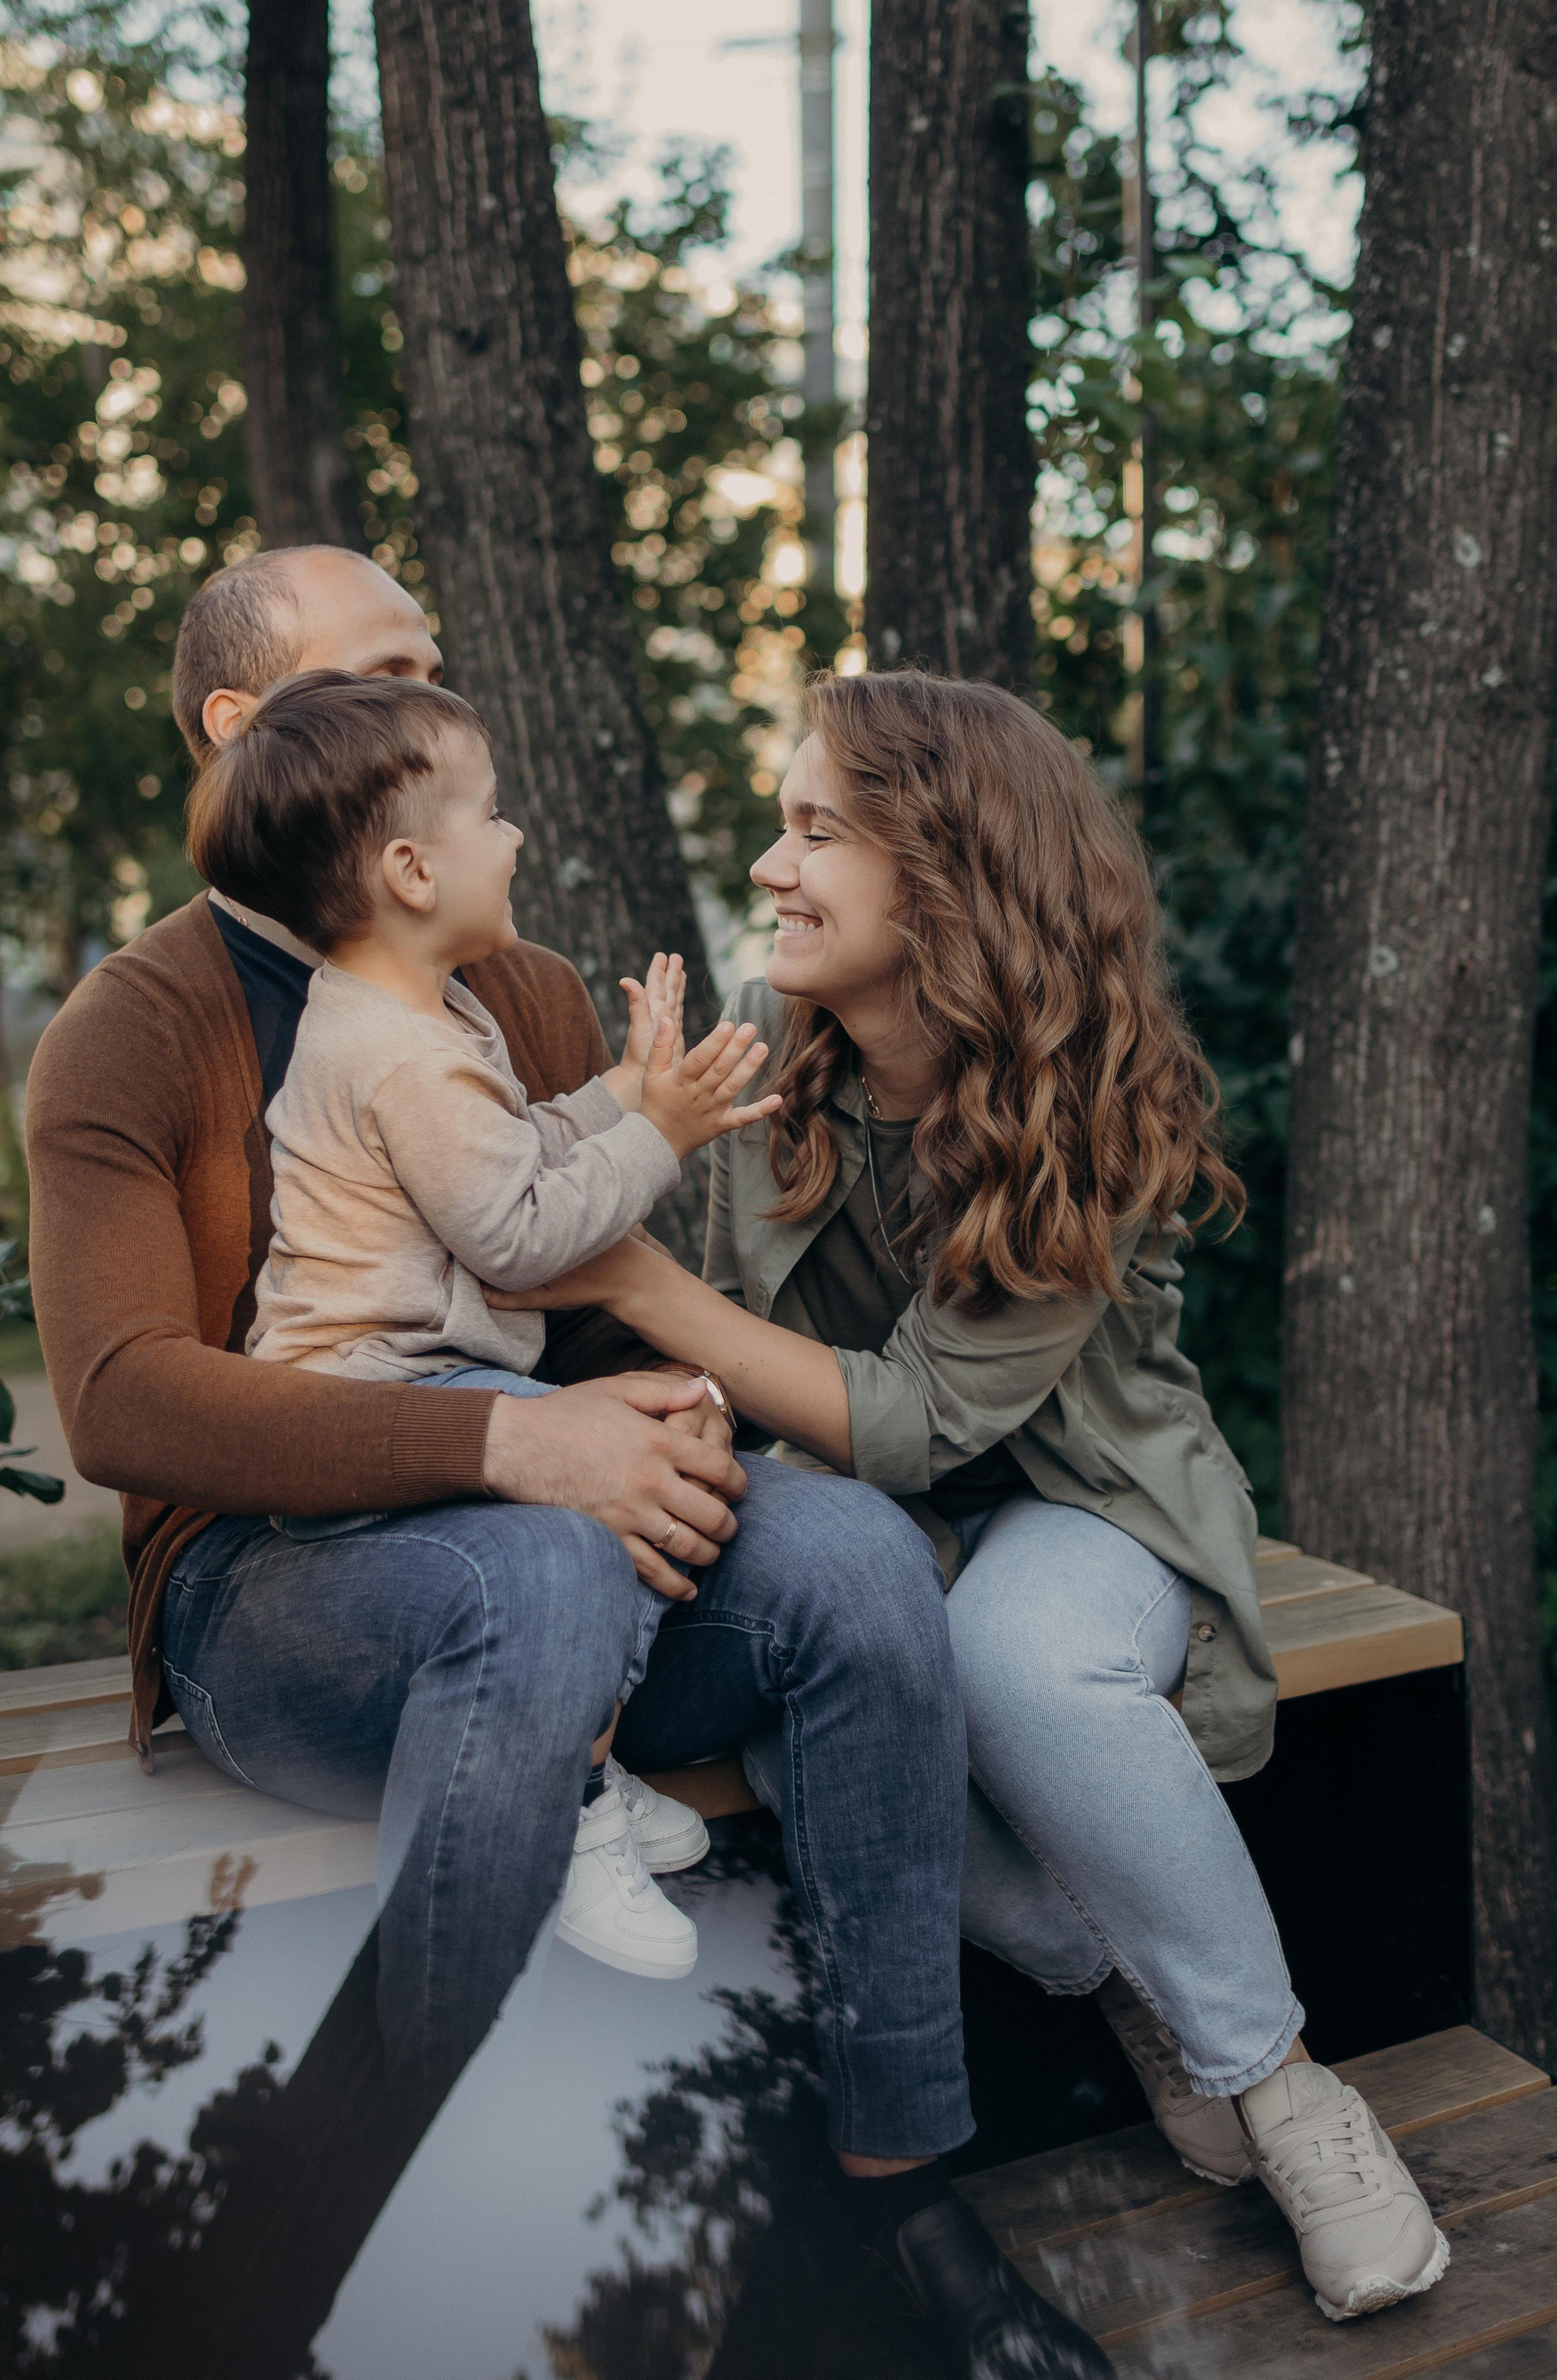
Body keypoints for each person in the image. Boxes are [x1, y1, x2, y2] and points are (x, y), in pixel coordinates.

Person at [22, 550, 1118, 2380]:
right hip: (271, 1596)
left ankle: (901, 2193)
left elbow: (581, 1314)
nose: (449, 713)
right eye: (386, 675)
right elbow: (129, 1401)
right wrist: (508, 1450)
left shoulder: (506, 988)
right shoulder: (135, 1030)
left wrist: (668, 1425)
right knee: (532, 1565)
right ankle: (300, 2257)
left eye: (435, 669)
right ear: (247, 734)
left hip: (556, 1560)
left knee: (845, 1555)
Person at [500, 669, 1450, 2329]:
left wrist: (640, 1286)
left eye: (816, 834)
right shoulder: (790, 1082)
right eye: (781, 831)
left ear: (943, 873)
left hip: (1099, 1511)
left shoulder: (1073, 1096)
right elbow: (775, 1365)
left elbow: (922, 1417)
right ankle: (1140, 1987)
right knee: (820, 1721)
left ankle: (1291, 2090)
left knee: (1016, 1657)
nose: (772, 871)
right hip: (898, 1525)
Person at [190, 664, 782, 1978]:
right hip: (379, 1388)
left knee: (656, 1440)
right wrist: (662, 1138)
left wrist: (622, 1096)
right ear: (411, 869)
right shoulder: (400, 1050)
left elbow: (505, 1155)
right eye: (493, 813)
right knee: (615, 1480)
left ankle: (581, 1749)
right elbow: (516, 1235)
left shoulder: (422, 1018)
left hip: (430, 1376)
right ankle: (567, 1803)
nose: (514, 836)